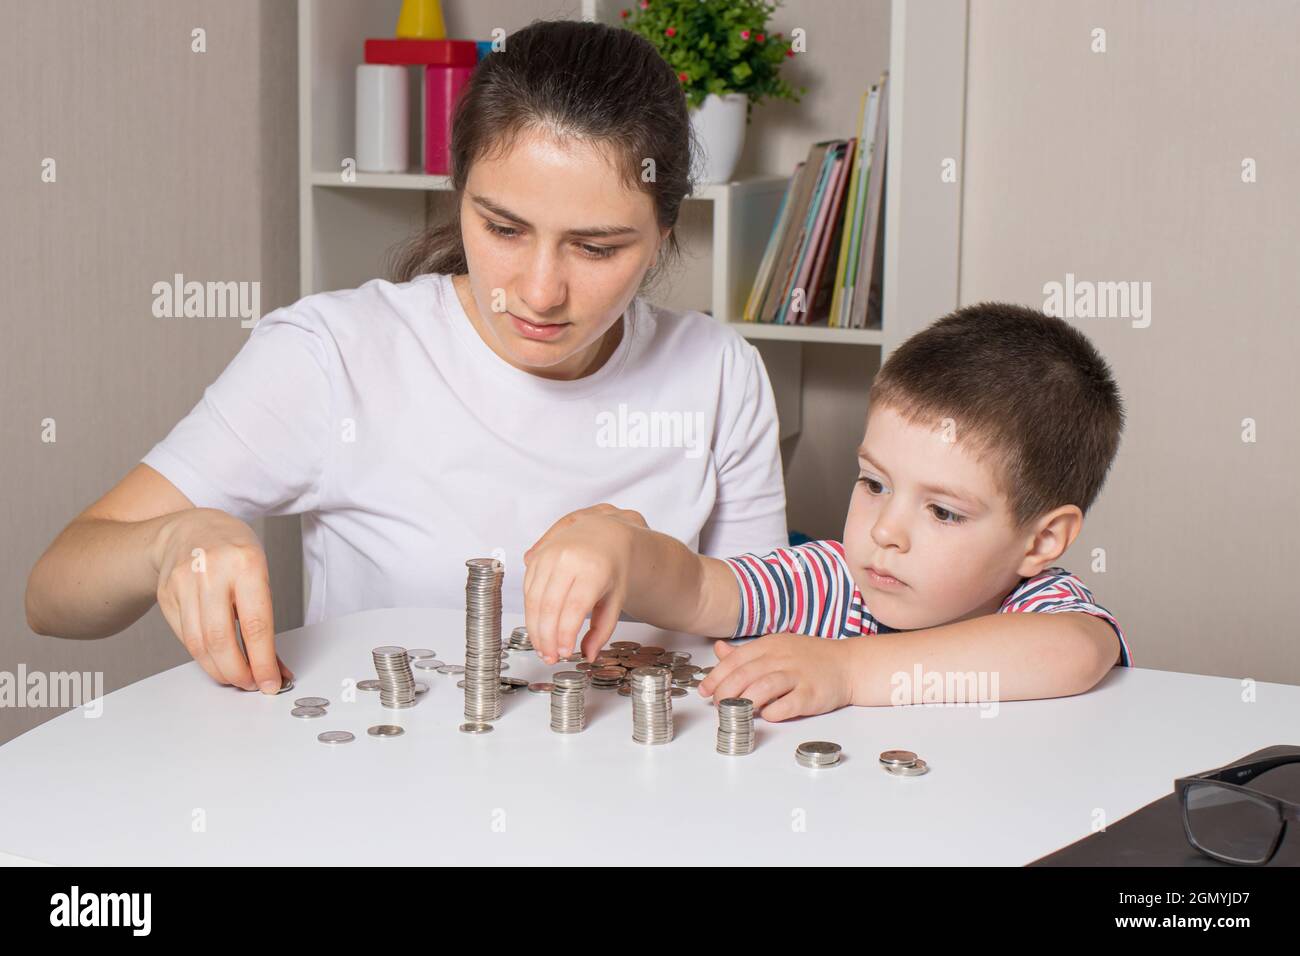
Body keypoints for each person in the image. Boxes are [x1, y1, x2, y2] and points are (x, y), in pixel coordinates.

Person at [24, 19, 788, 695]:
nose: (540, 291)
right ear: (458, 196)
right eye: (503, 228)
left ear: (663, 232)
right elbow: (53, 594)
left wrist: (645, 561)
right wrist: (168, 541)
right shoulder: (335, 357)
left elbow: (766, 630)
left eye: (596, 247)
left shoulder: (720, 372)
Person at [522, 303, 1132, 720]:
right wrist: (623, 550)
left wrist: (845, 670)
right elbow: (701, 589)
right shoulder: (830, 581)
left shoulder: (1038, 608)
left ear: (1042, 541)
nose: (885, 531)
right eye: (873, 483)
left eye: (943, 512)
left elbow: (1076, 652)